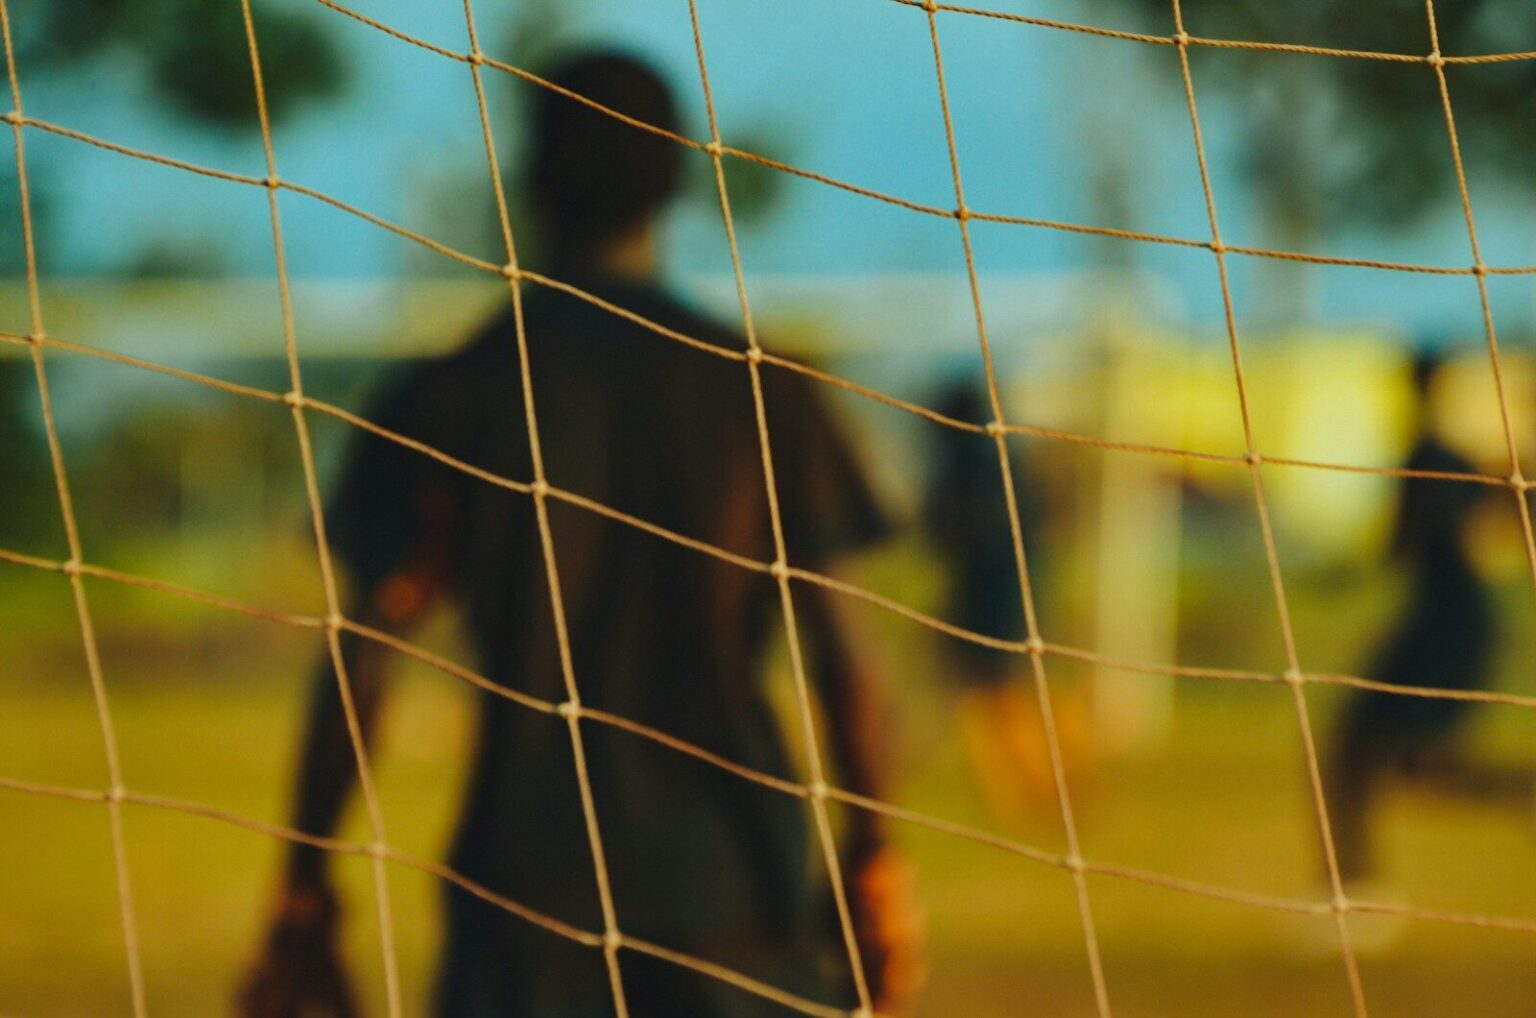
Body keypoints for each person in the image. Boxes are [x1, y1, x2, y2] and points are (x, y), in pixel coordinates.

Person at [241, 51, 918, 1017]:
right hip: (734, 889)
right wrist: (875, 856)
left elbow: (365, 652)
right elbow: (841, 651)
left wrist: (306, 883)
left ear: (530, 180)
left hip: (524, 897)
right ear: (678, 181)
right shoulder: (762, 392)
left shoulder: (452, 392)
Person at [1325, 352, 1505, 884]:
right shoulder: (1433, 456)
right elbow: (1397, 547)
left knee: (1388, 761)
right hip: (1439, 621)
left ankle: (1356, 888)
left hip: (1451, 627)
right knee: (1372, 758)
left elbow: (1401, 545)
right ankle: (1355, 888)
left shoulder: (1440, 458)